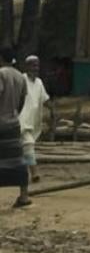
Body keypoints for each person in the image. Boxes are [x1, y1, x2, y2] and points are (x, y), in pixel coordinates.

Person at [0, 48, 29, 208]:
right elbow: (22, 100)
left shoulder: (1, 73)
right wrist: (15, 114)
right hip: (13, 122)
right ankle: (24, 196)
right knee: (17, 160)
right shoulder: (20, 76)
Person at [19, 55, 50, 185]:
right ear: (27, 66)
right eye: (33, 65)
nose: (35, 68)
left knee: (20, 149)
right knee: (28, 145)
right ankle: (34, 173)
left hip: (32, 121)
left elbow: (44, 98)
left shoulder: (39, 82)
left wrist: (52, 110)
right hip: (20, 119)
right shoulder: (21, 79)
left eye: (37, 65)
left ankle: (21, 174)